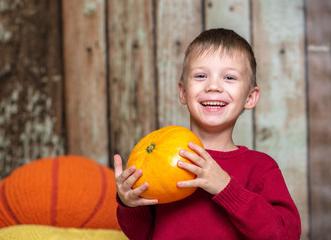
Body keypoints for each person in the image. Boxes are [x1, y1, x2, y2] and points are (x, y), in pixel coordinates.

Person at [114, 28, 301, 239]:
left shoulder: (261, 169)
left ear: (250, 97)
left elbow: (286, 234)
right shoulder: (159, 161)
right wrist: (129, 203)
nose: (213, 86)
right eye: (201, 76)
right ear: (183, 92)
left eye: (229, 77)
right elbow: (142, 235)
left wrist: (226, 188)